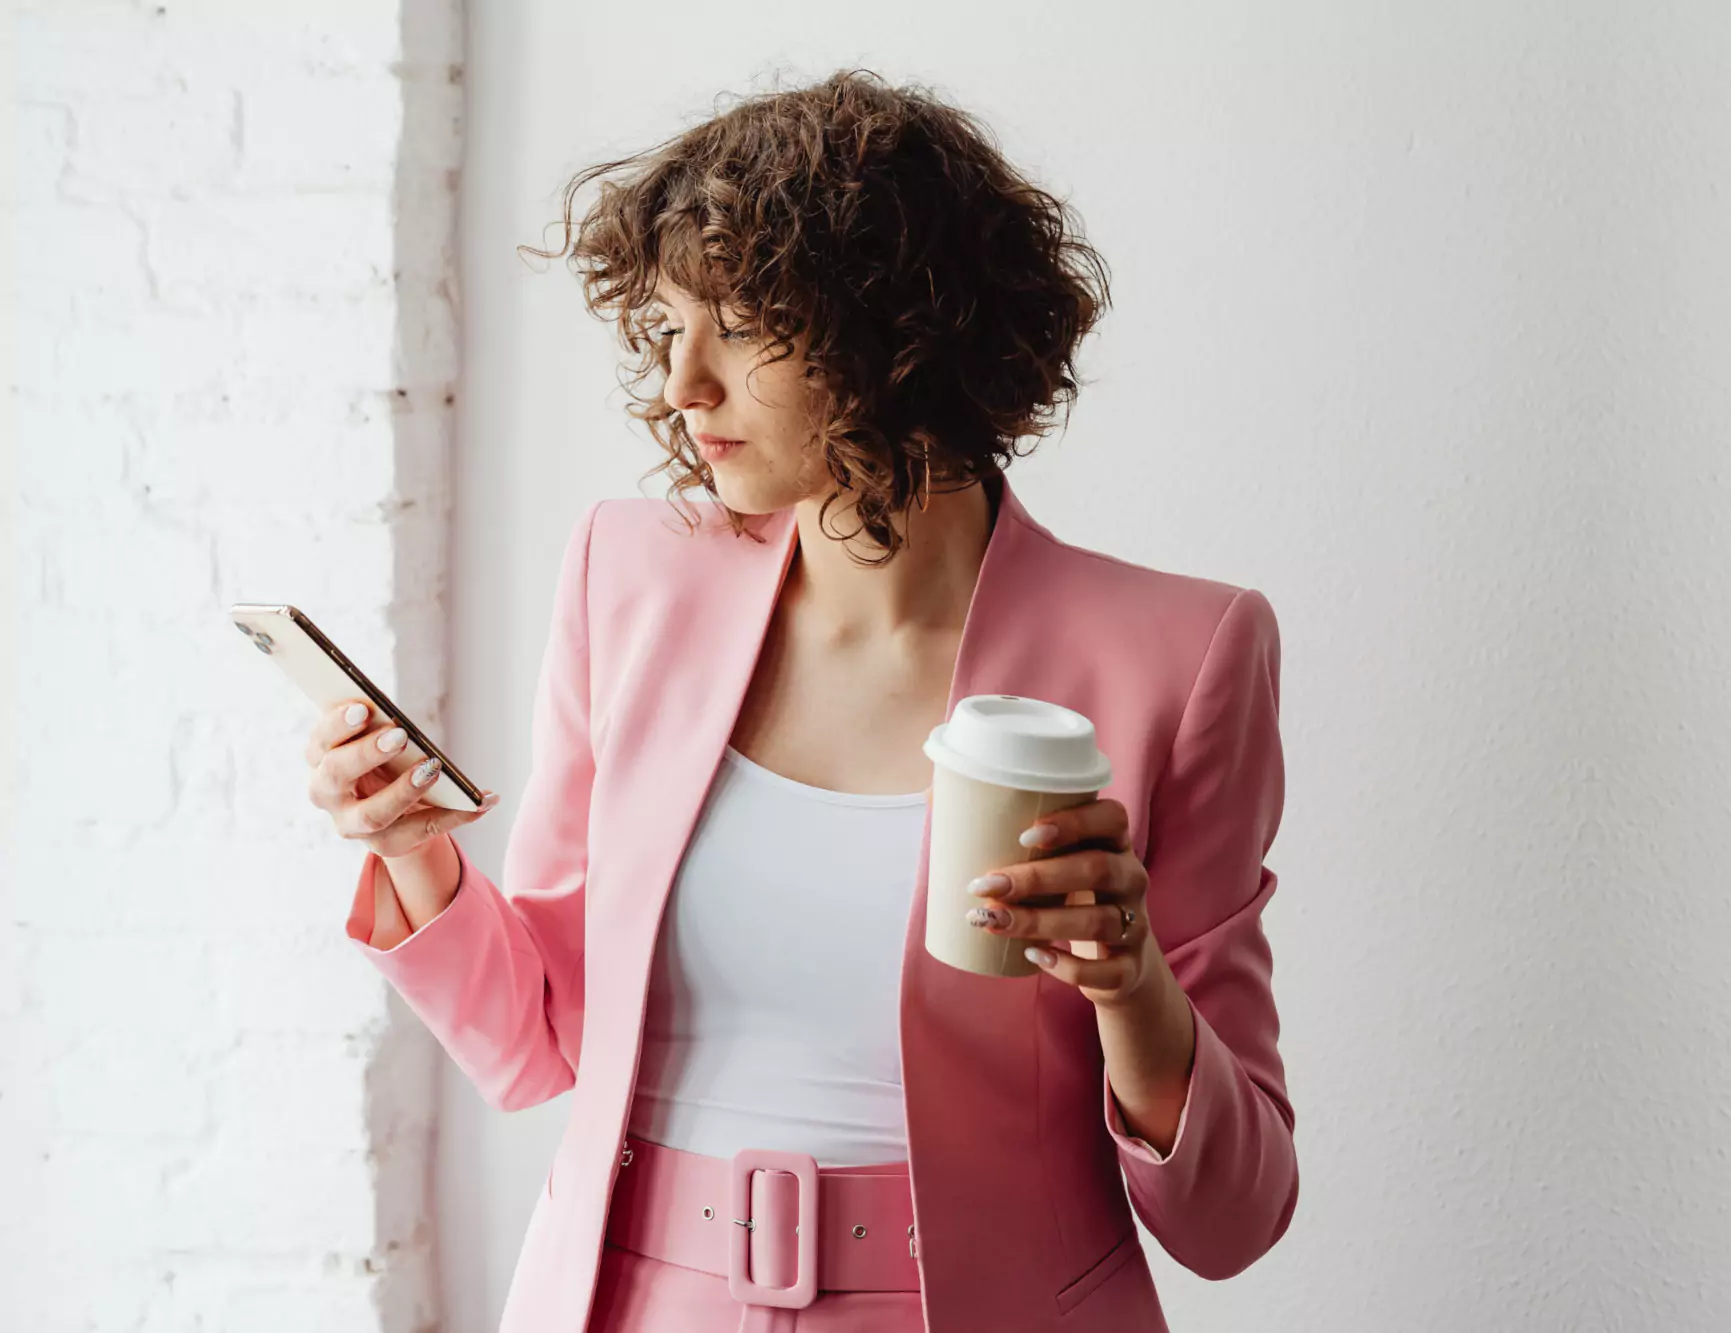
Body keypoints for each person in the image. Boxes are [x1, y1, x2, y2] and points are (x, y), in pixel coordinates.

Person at [304, 68, 1296, 1333]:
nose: (683, 385)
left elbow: (1236, 1212)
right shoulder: (629, 576)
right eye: (667, 329)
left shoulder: (1179, 653)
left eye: (742, 324)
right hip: (630, 1302)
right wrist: (416, 852)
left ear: (899, 328)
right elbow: (541, 1037)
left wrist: (1127, 980)